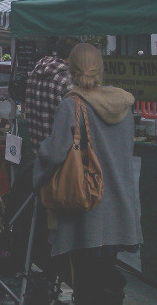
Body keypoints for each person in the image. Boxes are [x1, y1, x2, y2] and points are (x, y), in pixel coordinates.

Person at [33, 43, 142, 305]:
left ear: (71, 69)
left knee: (85, 280)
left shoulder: (71, 105)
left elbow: (55, 154)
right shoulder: (123, 105)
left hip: (86, 206)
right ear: (100, 68)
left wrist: (37, 166)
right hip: (119, 205)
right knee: (106, 273)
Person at [23, 36, 81, 156]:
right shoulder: (67, 80)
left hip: (37, 152)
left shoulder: (35, 72)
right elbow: (73, 123)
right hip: (60, 156)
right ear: (74, 55)